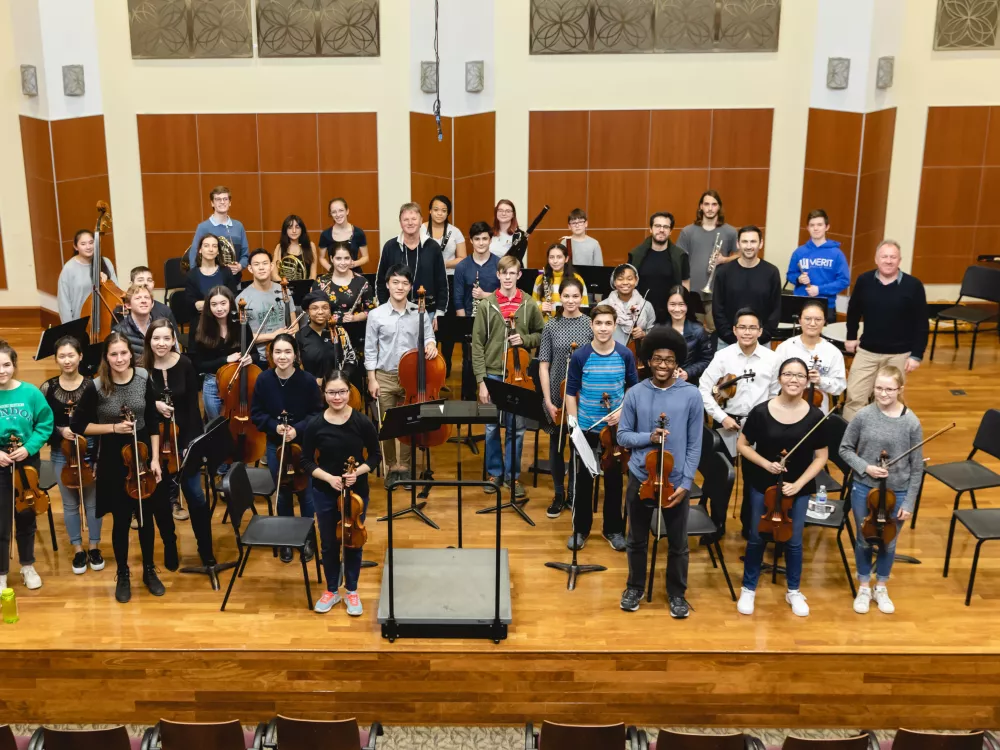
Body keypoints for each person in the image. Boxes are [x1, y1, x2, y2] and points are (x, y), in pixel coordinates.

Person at [71, 332, 173, 603]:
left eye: (124, 353)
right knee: (120, 520)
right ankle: (123, 573)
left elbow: (151, 419)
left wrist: (154, 459)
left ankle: (149, 570)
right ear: (106, 357)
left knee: (146, 517)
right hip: (114, 459)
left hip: (142, 455)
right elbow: (78, 426)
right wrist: (113, 427)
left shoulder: (142, 378)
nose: (119, 359)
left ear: (131, 354)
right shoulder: (96, 386)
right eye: (113, 354)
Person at [616, 326, 703, 617]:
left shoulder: (691, 395)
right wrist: (648, 438)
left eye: (668, 360)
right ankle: (634, 587)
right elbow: (623, 437)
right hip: (641, 477)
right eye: (657, 359)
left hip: (676, 482)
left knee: (678, 544)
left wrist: (687, 481)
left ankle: (677, 593)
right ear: (648, 361)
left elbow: (694, 444)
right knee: (636, 539)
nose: (662, 365)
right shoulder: (635, 393)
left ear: (677, 362)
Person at [736, 357, 829, 618]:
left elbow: (821, 457)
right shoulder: (761, 412)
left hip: (796, 488)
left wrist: (798, 485)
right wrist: (766, 464)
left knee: (794, 540)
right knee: (756, 537)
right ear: (779, 378)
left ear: (806, 380)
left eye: (799, 376)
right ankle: (749, 587)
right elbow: (742, 446)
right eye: (788, 374)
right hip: (762, 484)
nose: (793, 380)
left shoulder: (815, 416)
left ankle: (794, 590)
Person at [840, 365, 923, 615]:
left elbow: (917, 468)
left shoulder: (911, 422)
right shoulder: (863, 415)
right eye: (878, 388)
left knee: (888, 541)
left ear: (900, 390)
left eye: (889, 389)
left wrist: (908, 503)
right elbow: (844, 449)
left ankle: (881, 586)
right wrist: (866, 467)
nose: (883, 394)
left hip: (896, 492)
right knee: (865, 538)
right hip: (864, 488)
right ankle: (864, 586)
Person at [301, 370, 382, 617]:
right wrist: (329, 478)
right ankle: (331, 589)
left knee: (353, 541)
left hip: (356, 493)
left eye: (342, 392)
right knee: (328, 542)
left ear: (350, 392)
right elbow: (306, 461)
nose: (337, 397)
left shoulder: (362, 422)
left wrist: (358, 472)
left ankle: (352, 590)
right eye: (332, 392)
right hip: (325, 491)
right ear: (324, 394)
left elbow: (376, 456)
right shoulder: (315, 424)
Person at [698, 308, 781, 538]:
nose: (747, 332)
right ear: (734, 330)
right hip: (726, 423)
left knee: (755, 479)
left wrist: (763, 421)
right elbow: (703, 390)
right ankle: (716, 524)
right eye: (742, 327)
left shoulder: (772, 359)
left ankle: (749, 524)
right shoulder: (722, 356)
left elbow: (776, 395)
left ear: (760, 331)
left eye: (752, 327)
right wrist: (721, 417)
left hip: (758, 427)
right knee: (719, 477)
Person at [143, 321, 220, 567]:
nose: (161, 344)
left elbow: (192, 409)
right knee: (161, 500)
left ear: (174, 339)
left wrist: (190, 444)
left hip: (184, 441)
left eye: (166, 338)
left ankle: (205, 548)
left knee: (196, 497)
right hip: (155, 446)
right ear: (149, 340)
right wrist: (153, 405)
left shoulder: (185, 363)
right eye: (156, 338)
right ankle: (169, 544)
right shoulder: (141, 368)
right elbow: (136, 405)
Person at [564, 304, 639, 552]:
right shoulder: (581, 355)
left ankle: (613, 530)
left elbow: (632, 389)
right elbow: (571, 392)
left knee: (615, 482)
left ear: (615, 325)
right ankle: (581, 529)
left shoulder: (625, 355)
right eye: (599, 323)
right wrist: (574, 425)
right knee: (583, 482)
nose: (603, 328)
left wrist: (622, 411)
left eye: (608, 323)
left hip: (616, 432)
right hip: (586, 427)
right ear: (591, 325)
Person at [472, 255, 544, 499]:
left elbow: (541, 335)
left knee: (517, 427)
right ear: (499, 275)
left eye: (513, 273)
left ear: (519, 275)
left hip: (519, 374)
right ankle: (494, 473)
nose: (508, 277)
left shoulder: (529, 304)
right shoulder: (487, 305)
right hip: (493, 372)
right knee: (492, 426)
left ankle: (513, 476)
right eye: (504, 273)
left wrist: (524, 340)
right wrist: (481, 380)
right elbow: (477, 345)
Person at [364, 264, 437, 487]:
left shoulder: (419, 312)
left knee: (407, 424)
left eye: (405, 283)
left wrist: (432, 344)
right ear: (387, 285)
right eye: (395, 282)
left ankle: (404, 467)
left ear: (410, 287)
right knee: (387, 424)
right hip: (384, 376)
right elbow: (370, 349)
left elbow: (428, 337)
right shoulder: (376, 315)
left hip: (411, 377)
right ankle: (391, 467)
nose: (400, 287)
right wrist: (372, 378)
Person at [250, 334, 320, 563]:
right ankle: (287, 538)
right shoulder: (264, 380)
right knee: (283, 491)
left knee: (306, 492)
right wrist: (275, 427)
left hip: (303, 445)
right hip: (275, 444)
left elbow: (316, 413)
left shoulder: (307, 380)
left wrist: (296, 429)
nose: (282, 357)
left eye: (287, 352)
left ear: (295, 354)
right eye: (278, 352)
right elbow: (257, 414)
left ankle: (308, 537)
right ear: (271, 355)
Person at [843, 240, 928, 422]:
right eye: (884, 256)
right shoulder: (864, 280)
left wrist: (916, 355)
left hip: (899, 355)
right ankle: (847, 443)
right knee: (854, 397)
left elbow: (922, 323)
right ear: (876, 259)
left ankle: (886, 443)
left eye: (893, 257)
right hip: (867, 352)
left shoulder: (913, 286)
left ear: (899, 260)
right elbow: (853, 310)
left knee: (891, 401)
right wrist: (851, 336)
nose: (888, 261)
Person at [40, 336, 104, 575]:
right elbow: (42, 424)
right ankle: (78, 549)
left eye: (71, 355)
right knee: (69, 505)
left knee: (92, 503)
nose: (67, 360)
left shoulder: (92, 386)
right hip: (61, 454)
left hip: (90, 453)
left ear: (80, 356)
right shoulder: (47, 388)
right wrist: (60, 430)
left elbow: (100, 421)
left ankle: (94, 547)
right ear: (56, 358)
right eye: (62, 356)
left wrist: (96, 458)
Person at [537, 277, 593, 518]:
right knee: (556, 445)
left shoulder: (591, 324)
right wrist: (548, 400)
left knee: (577, 445)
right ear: (561, 297)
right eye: (566, 296)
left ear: (581, 298)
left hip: (582, 395)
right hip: (556, 395)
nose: (570, 301)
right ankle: (559, 494)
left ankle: (574, 493)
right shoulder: (551, 325)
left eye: (575, 296)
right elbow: (543, 365)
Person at [0, 341, 53, 592]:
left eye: (6, 364)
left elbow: (45, 424)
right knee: (1, 520)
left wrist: (29, 448)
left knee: (26, 515)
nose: (2, 370)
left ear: (14, 365)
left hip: (26, 463)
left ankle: (27, 565)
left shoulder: (31, 393)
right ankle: (1, 572)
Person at [186, 286, 263, 422]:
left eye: (223, 303)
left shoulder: (241, 324)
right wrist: (225, 359)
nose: (219, 308)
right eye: (214, 304)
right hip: (213, 382)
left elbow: (256, 355)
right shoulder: (200, 327)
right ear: (208, 306)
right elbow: (198, 365)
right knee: (217, 426)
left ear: (230, 304)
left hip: (239, 381)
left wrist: (251, 358)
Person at [676, 190, 739, 333]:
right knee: (692, 331)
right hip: (693, 293)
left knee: (716, 330)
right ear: (700, 207)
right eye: (706, 204)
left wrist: (725, 259)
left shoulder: (729, 231)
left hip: (717, 292)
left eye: (714, 204)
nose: (710, 208)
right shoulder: (688, 231)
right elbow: (680, 259)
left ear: (719, 207)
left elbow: (741, 256)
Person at [375, 203, 448, 325]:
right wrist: (384, 309)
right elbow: (381, 281)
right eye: (406, 219)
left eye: (414, 219)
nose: (410, 223)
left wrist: (439, 313)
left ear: (421, 221)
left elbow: (442, 282)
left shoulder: (433, 247)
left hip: (427, 313)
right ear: (400, 223)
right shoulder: (390, 246)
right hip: (395, 313)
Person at [453, 222, 500, 401]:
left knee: (493, 359)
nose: (481, 243)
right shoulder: (462, 266)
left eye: (485, 239)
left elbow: (507, 294)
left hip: (494, 320)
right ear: (471, 241)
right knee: (469, 361)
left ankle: (492, 395)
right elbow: (458, 298)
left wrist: (484, 295)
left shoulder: (498, 264)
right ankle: (468, 399)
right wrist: (464, 324)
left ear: (490, 240)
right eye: (477, 239)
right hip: (470, 320)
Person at [711, 226, 781, 345]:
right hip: (728, 343)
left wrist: (760, 338)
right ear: (738, 244)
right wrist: (732, 339)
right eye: (744, 241)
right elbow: (718, 309)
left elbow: (775, 309)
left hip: (761, 343)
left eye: (753, 241)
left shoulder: (772, 272)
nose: (749, 246)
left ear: (761, 244)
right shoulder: (723, 272)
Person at [774, 300, 846, 414]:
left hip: (818, 409)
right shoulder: (785, 348)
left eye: (818, 320)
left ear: (824, 322)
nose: (812, 324)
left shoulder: (833, 352)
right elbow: (774, 380)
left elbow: (840, 387)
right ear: (800, 320)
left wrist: (820, 381)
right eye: (807, 319)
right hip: (786, 406)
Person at [787, 209, 850, 323]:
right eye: (812, 225)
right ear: (808, 228)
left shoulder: (837, 254)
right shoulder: (799, 252)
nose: (815, 228)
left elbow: (844, 281)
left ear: (827, 227)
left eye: (819, 225)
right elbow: (790, 275)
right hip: (802, 304)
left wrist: (820, 289)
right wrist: (798, 279)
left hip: (826, 305)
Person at [628, 212, 690, 322]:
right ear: (650, 229)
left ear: (670, 231)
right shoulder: (636, 254)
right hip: (641, 314)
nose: (661, 230)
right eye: (657, 226)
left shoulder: (680, 256)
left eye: (666, 227)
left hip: (670, 314)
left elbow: (685, 284)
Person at [236, 248, 297, 361]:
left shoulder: (284, 290)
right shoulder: (242, 300)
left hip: (285, 356)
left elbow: (294, 325)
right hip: (259, 358)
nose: (261, 267)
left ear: (271, 266)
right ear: (250, 268)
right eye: (256, 264)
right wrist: (272, 336)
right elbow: (242, 337)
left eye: (265, 263)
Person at [296, 291, 358, 388]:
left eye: (325, 308)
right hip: (311, 388)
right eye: (314, 308)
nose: (320, 312)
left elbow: (351, 360)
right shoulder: (300, 336)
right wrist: (314, 381)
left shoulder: (340, 332)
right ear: (308, 311)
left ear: (329, 311)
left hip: (338, 386)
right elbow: (296, 368)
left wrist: (340, 378)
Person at [57, 229, 118, 323]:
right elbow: (64, 302)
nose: (88, 247)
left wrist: (107, 283)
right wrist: (69, 327)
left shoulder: (106, 262)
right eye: (83, 244)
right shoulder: (69, 269)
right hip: (80, 320)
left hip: (104, 319)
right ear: (76, 247)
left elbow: (116, 292)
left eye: (91, 242)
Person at [187, 185, 249, 273]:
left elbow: (245, 254)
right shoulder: (203, 227)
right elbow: (194, 255)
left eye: (225, 199)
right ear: (212, 203)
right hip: (210, 280)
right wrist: (196, 277)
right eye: (218, 199)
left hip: (234, 280)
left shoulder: (238, 226)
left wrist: (240, 266)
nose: (222, 202)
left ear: (230, 202)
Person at [664, 286, 712, 385]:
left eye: (681, 304)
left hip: (689, 384)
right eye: (672, 304)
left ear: (688, 305)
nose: (677, 309)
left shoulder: (698, 331)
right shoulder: (659, 329)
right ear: (666, 305)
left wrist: (688, 372)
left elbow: (706, 360)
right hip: (663, 383)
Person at [185, 234, 239, 319]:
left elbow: (233, 296)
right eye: (206, 246)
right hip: (200, 320)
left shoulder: (226, 272)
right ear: (200, 250)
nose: (211, 249)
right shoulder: (192, 275)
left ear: (218, 251)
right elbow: (191, 304)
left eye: (214, 246)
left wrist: (207, 304)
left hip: (224, 318)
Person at [532, 242, 589, 321]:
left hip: (571, 324)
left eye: (559, 257)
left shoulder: (577, 278)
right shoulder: (540, 279)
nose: (555, 261)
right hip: (546, 325)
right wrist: (541, 307)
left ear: (566, 259)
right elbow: (533, 305)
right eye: (551, 257)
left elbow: (584, 305)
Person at [604, 264, 655, 347]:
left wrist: (643, 334)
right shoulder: (603, 305)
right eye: (620, 279)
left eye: (629, 279)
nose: (625, 282)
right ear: (614, 282)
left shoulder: (646, 305)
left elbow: (653, 334)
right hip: (609, 354)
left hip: (636, 355)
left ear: (636, 280)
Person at [318, 197, 369, 271]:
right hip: (334, 277)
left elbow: (366, 257)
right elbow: (321, 258)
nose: (338, 215)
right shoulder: (325, 235)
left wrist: (354, 264)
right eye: (334, 212)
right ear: (331, 214)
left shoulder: (358, 233)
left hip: (354, 276)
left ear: (347, 211)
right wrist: (331, 269)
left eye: (341, 210)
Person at [421, 195, 467, 273]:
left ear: (447, 213)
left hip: (450, 275)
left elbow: (463, 259)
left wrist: (442, 264)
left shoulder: (455, 231)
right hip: (425, 274)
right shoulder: (420, 229)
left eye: (444, 210)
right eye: (436, 210)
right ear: (430, 211)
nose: (440, 213)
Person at [114, 284, 158, 360]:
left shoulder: (163, 326)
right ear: (128, 305)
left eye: (147, 298)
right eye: (138, 298)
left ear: (152, 304)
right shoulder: (118, 331)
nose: (144, 301)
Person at [271, 214, 318, 281]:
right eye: (290, 228)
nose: (294, 231)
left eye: (297, 227)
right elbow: (274, 274)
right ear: (285, 230)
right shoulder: (280, 247)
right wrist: (286, 287)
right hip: (284, 288)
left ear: (302, 229)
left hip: (306, 288)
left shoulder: (310, 245)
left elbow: (313, 274)